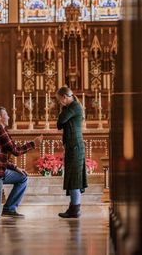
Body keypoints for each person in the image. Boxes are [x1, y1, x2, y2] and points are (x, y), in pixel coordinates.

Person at [56, 86, 88, 218]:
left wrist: (63, 109)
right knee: (72, 176)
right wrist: (64, 109)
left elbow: (61, 120)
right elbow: (59, 125)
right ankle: (73, 207)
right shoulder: (70, 107)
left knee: (75, 177)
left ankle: (75, 209)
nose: (59, 103)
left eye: (60, 100)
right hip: (71, 146)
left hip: (75, 146)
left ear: (64, 97)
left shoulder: (74, 106)